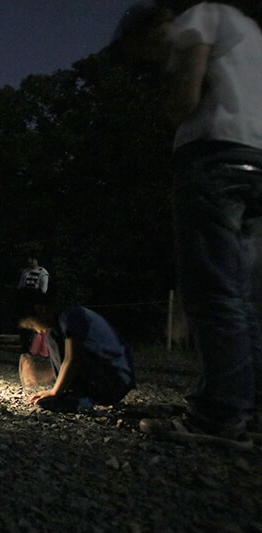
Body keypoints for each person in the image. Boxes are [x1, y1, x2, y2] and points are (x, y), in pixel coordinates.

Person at [112, 1, 262, 449]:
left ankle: (219, 415)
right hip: (256, 160)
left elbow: (183, 100)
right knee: (247, 296)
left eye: (143, 50)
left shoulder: (200, 18)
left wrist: (171, 104)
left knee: (213, 291)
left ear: (157, 28)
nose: (148, 61)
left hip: (215, 158)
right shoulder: (250, 31)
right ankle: (247, 407)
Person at [20, 305, 136, 413]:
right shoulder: (67, 317)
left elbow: (73, 359)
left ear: (41, 310)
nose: (36, 330)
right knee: (51, 334)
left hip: (115, 382)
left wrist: (55, 392)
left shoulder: (70, 317)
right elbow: (69, 362)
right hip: (113, 379)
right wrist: (39, 375)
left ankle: (80, 400)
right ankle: (74, 394)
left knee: (51, 335)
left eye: (32, 325)